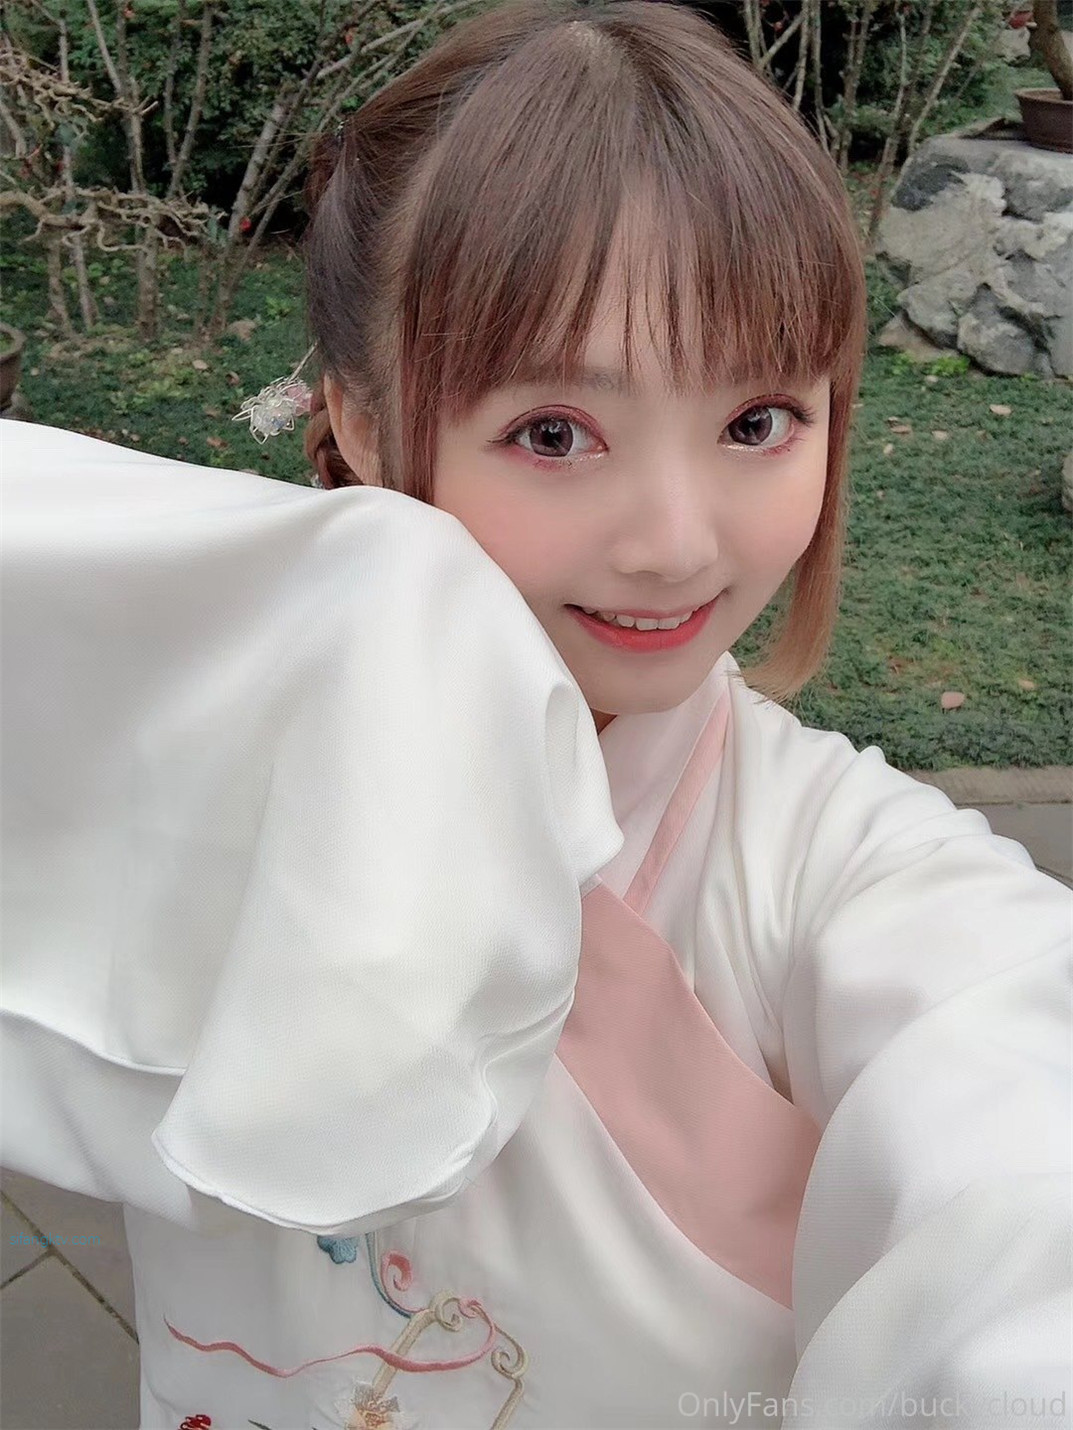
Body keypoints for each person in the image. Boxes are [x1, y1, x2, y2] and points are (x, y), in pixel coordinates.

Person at [1, 2, 1070, 1428]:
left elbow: (1021, 1168)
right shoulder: (197, 713)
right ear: (362, 420)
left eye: (757, 421)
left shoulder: (840, 870)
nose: (675, 544)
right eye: (554, 433)